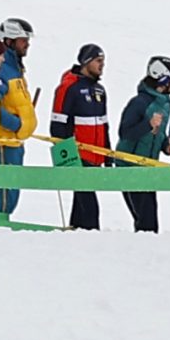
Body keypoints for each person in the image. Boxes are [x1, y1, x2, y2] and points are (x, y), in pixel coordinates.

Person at [49, 43, 109, 231]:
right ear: (86, 62)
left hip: (95, 158)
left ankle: (76, 235)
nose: (102, 65)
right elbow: (57, 127)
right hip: (79, 158)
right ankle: (90, 238)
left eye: (103, 62)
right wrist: (67, 158)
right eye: (99, 61)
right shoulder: (68, 88)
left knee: (82, 206)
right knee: (91, 210)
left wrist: (107, 155)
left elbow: (104, 125)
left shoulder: (100, 90)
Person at [117, 55, 170, 232]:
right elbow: (125, 132)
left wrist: (166, 145)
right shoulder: (139, 103)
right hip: (130, 168)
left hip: (148, 168)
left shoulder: (164, 103)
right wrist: (147, 124)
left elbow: (158, 134)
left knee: (149, 219)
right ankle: (142, 254)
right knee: (146, 221)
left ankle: (146, 253)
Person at [0, 18, 37, 217]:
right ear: (9, 41)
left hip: (15, 142)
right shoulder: (2, 70)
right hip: (5, 142)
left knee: (13, 190)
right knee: (8, 192)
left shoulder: (16, 69)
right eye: (22, 40)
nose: (27, 44)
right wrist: (17, 124)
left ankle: (1, 225)